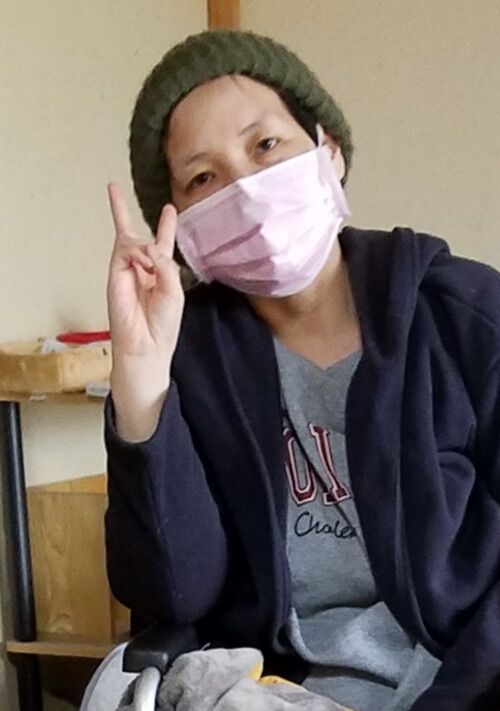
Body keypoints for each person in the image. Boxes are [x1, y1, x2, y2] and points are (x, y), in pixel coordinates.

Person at [104, 30, 500, 711]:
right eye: (203, 178)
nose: (247, 189)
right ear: (181, 228)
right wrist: (142, 381)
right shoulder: (190, 357)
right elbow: (173, 596)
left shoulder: (466, 316)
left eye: (266, 145)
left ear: (328, 150)